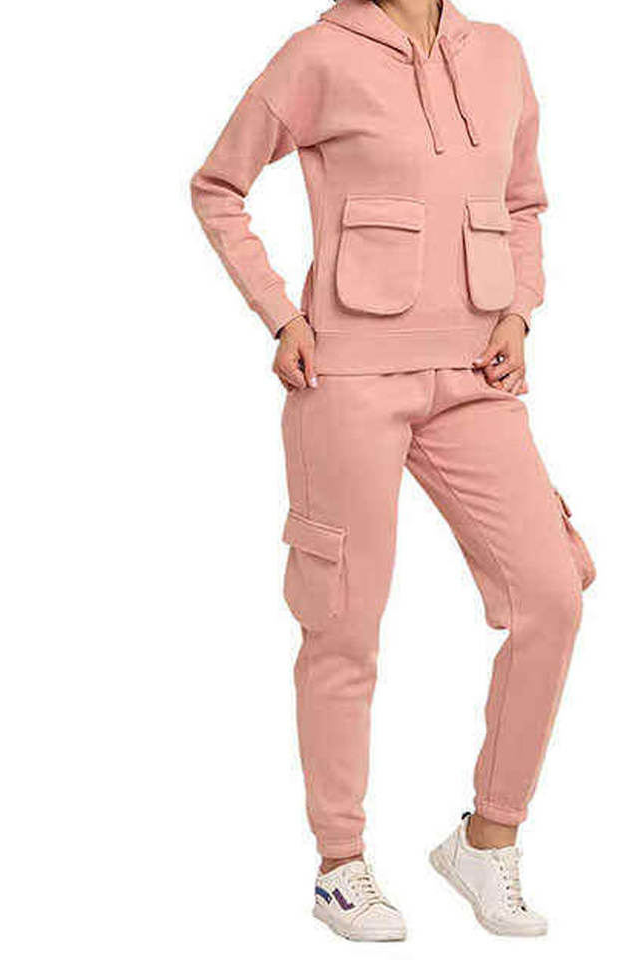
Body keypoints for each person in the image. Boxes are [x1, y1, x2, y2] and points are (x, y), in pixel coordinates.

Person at [191, 0, 594, 940]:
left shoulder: (500, 55)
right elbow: (218, 186)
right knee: (343, 625)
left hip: (477, 376)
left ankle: (488, 840)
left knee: (551, 592)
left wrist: (519, 311)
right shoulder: (318, 55)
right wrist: (280, 314)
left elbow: (523, 203)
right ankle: (340, 865)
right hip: (346, 378)